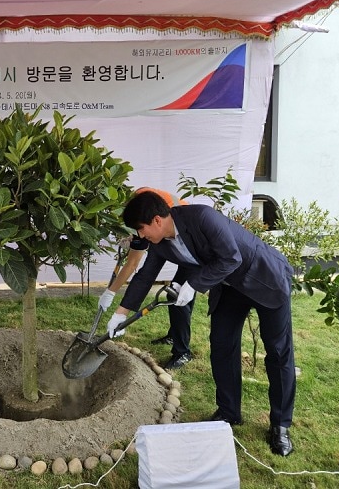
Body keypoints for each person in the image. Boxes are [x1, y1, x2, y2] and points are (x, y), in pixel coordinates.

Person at [108, 191, 296, 456]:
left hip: (264, 279)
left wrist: (193, 285)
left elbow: (232, 258)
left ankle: (280, 425)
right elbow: (145, 276)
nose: (140, 236)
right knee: (221, 345)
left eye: (141, 228)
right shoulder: (160, 242)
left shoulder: (202, 217)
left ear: (157, 220)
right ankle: (229, 413)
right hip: (229, 287)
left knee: (278, 353)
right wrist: (121, 313)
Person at [98, 187, 195, 369]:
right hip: (175, 239)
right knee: (175, 296)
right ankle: (175, 334)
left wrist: (111, 294)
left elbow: (134, 264)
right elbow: (137, 265)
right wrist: (110, 293)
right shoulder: (139, 215)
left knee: (176, 296)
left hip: (191, 243)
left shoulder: (146, 211)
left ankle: (183, 352)